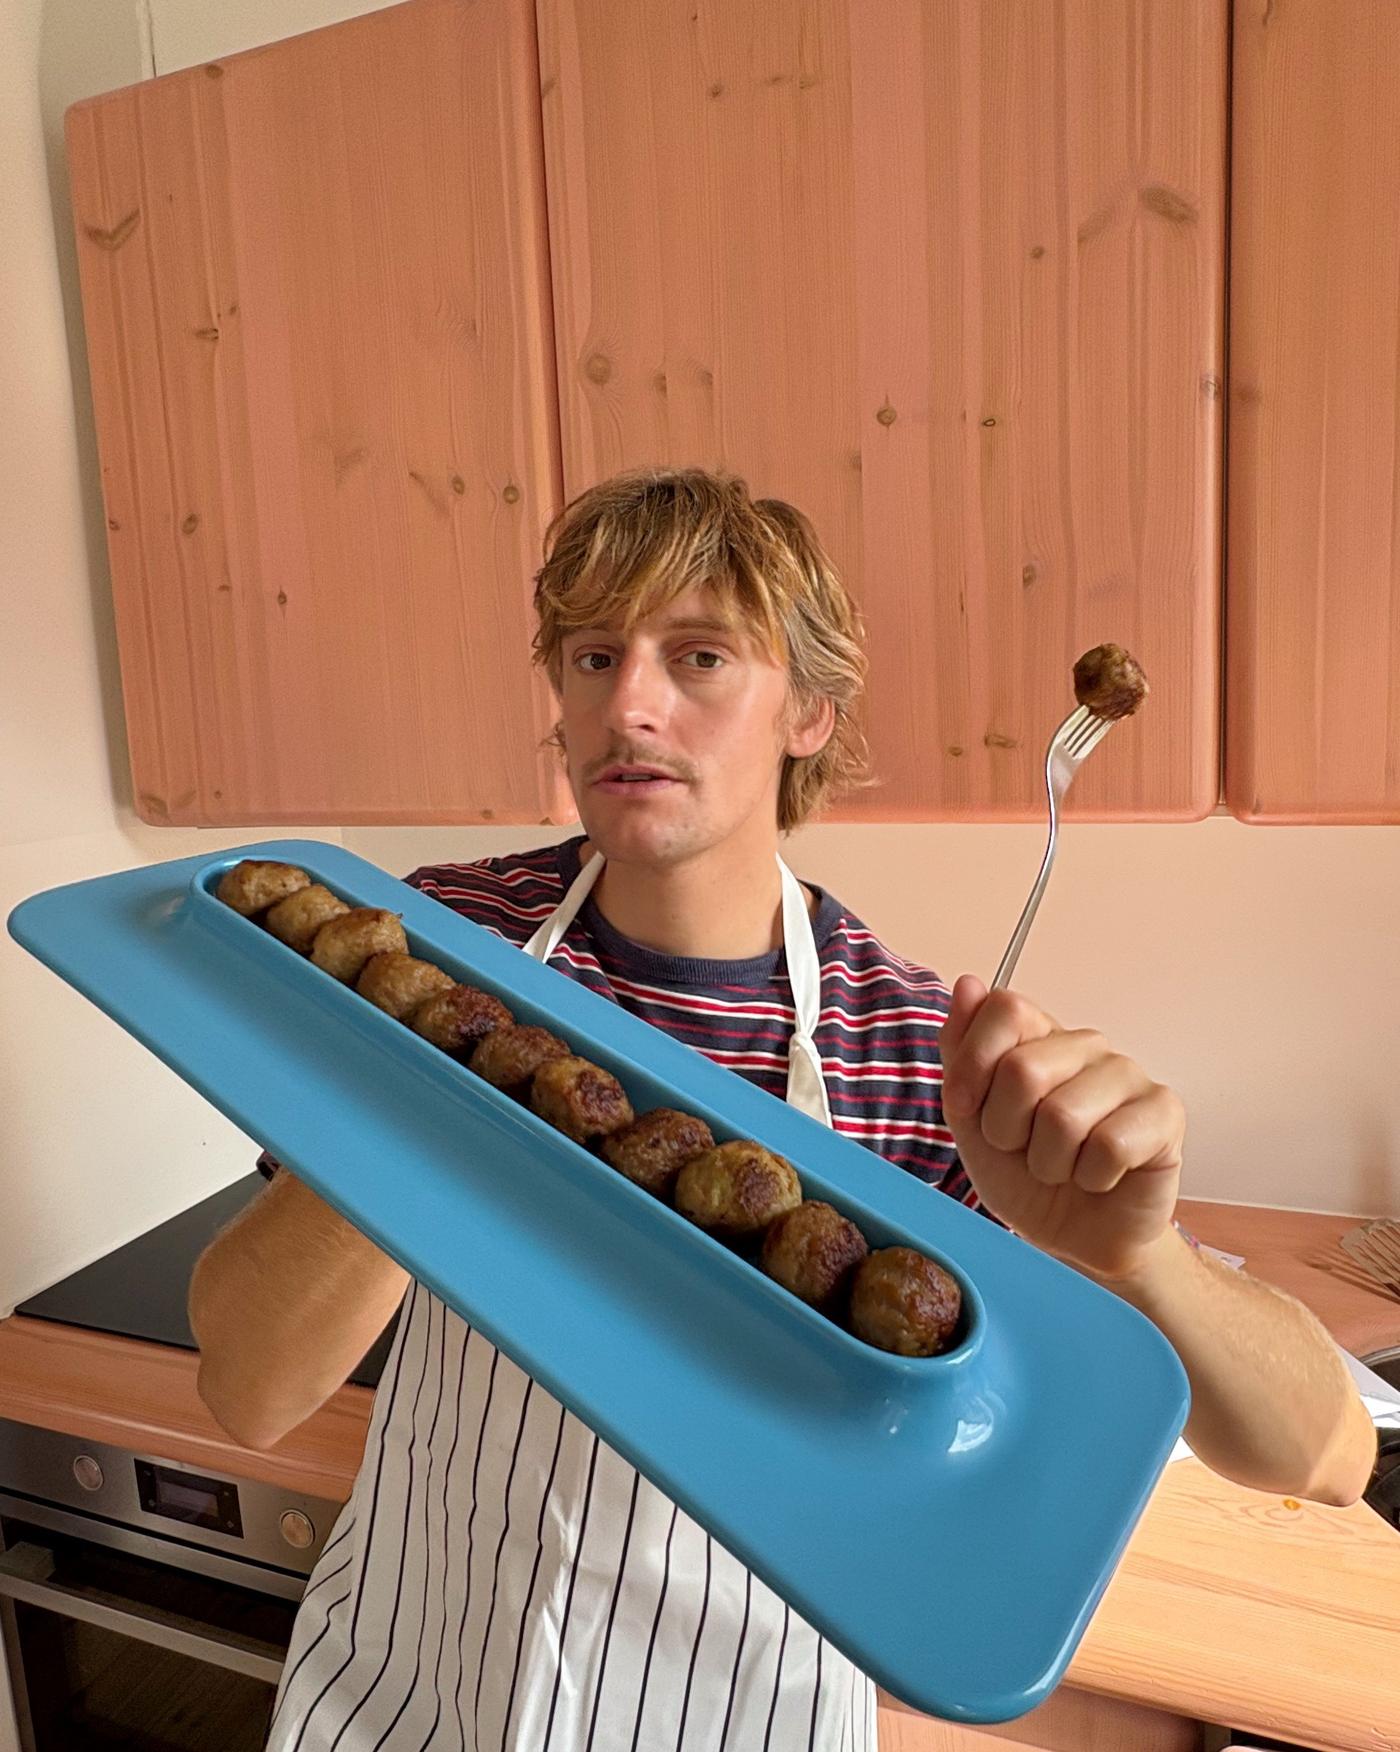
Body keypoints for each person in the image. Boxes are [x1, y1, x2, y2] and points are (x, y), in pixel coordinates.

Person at [190, 467, 1377, 1752]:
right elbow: (251, 1389)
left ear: (807, 711)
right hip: (407, 1689)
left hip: (743, 1714)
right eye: (592, 657)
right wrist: (421, 1090)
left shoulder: (905, 1047)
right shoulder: (437, 947)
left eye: (697, 657)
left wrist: (1132, 1256)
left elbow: (1321, 1457)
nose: (627, 705)